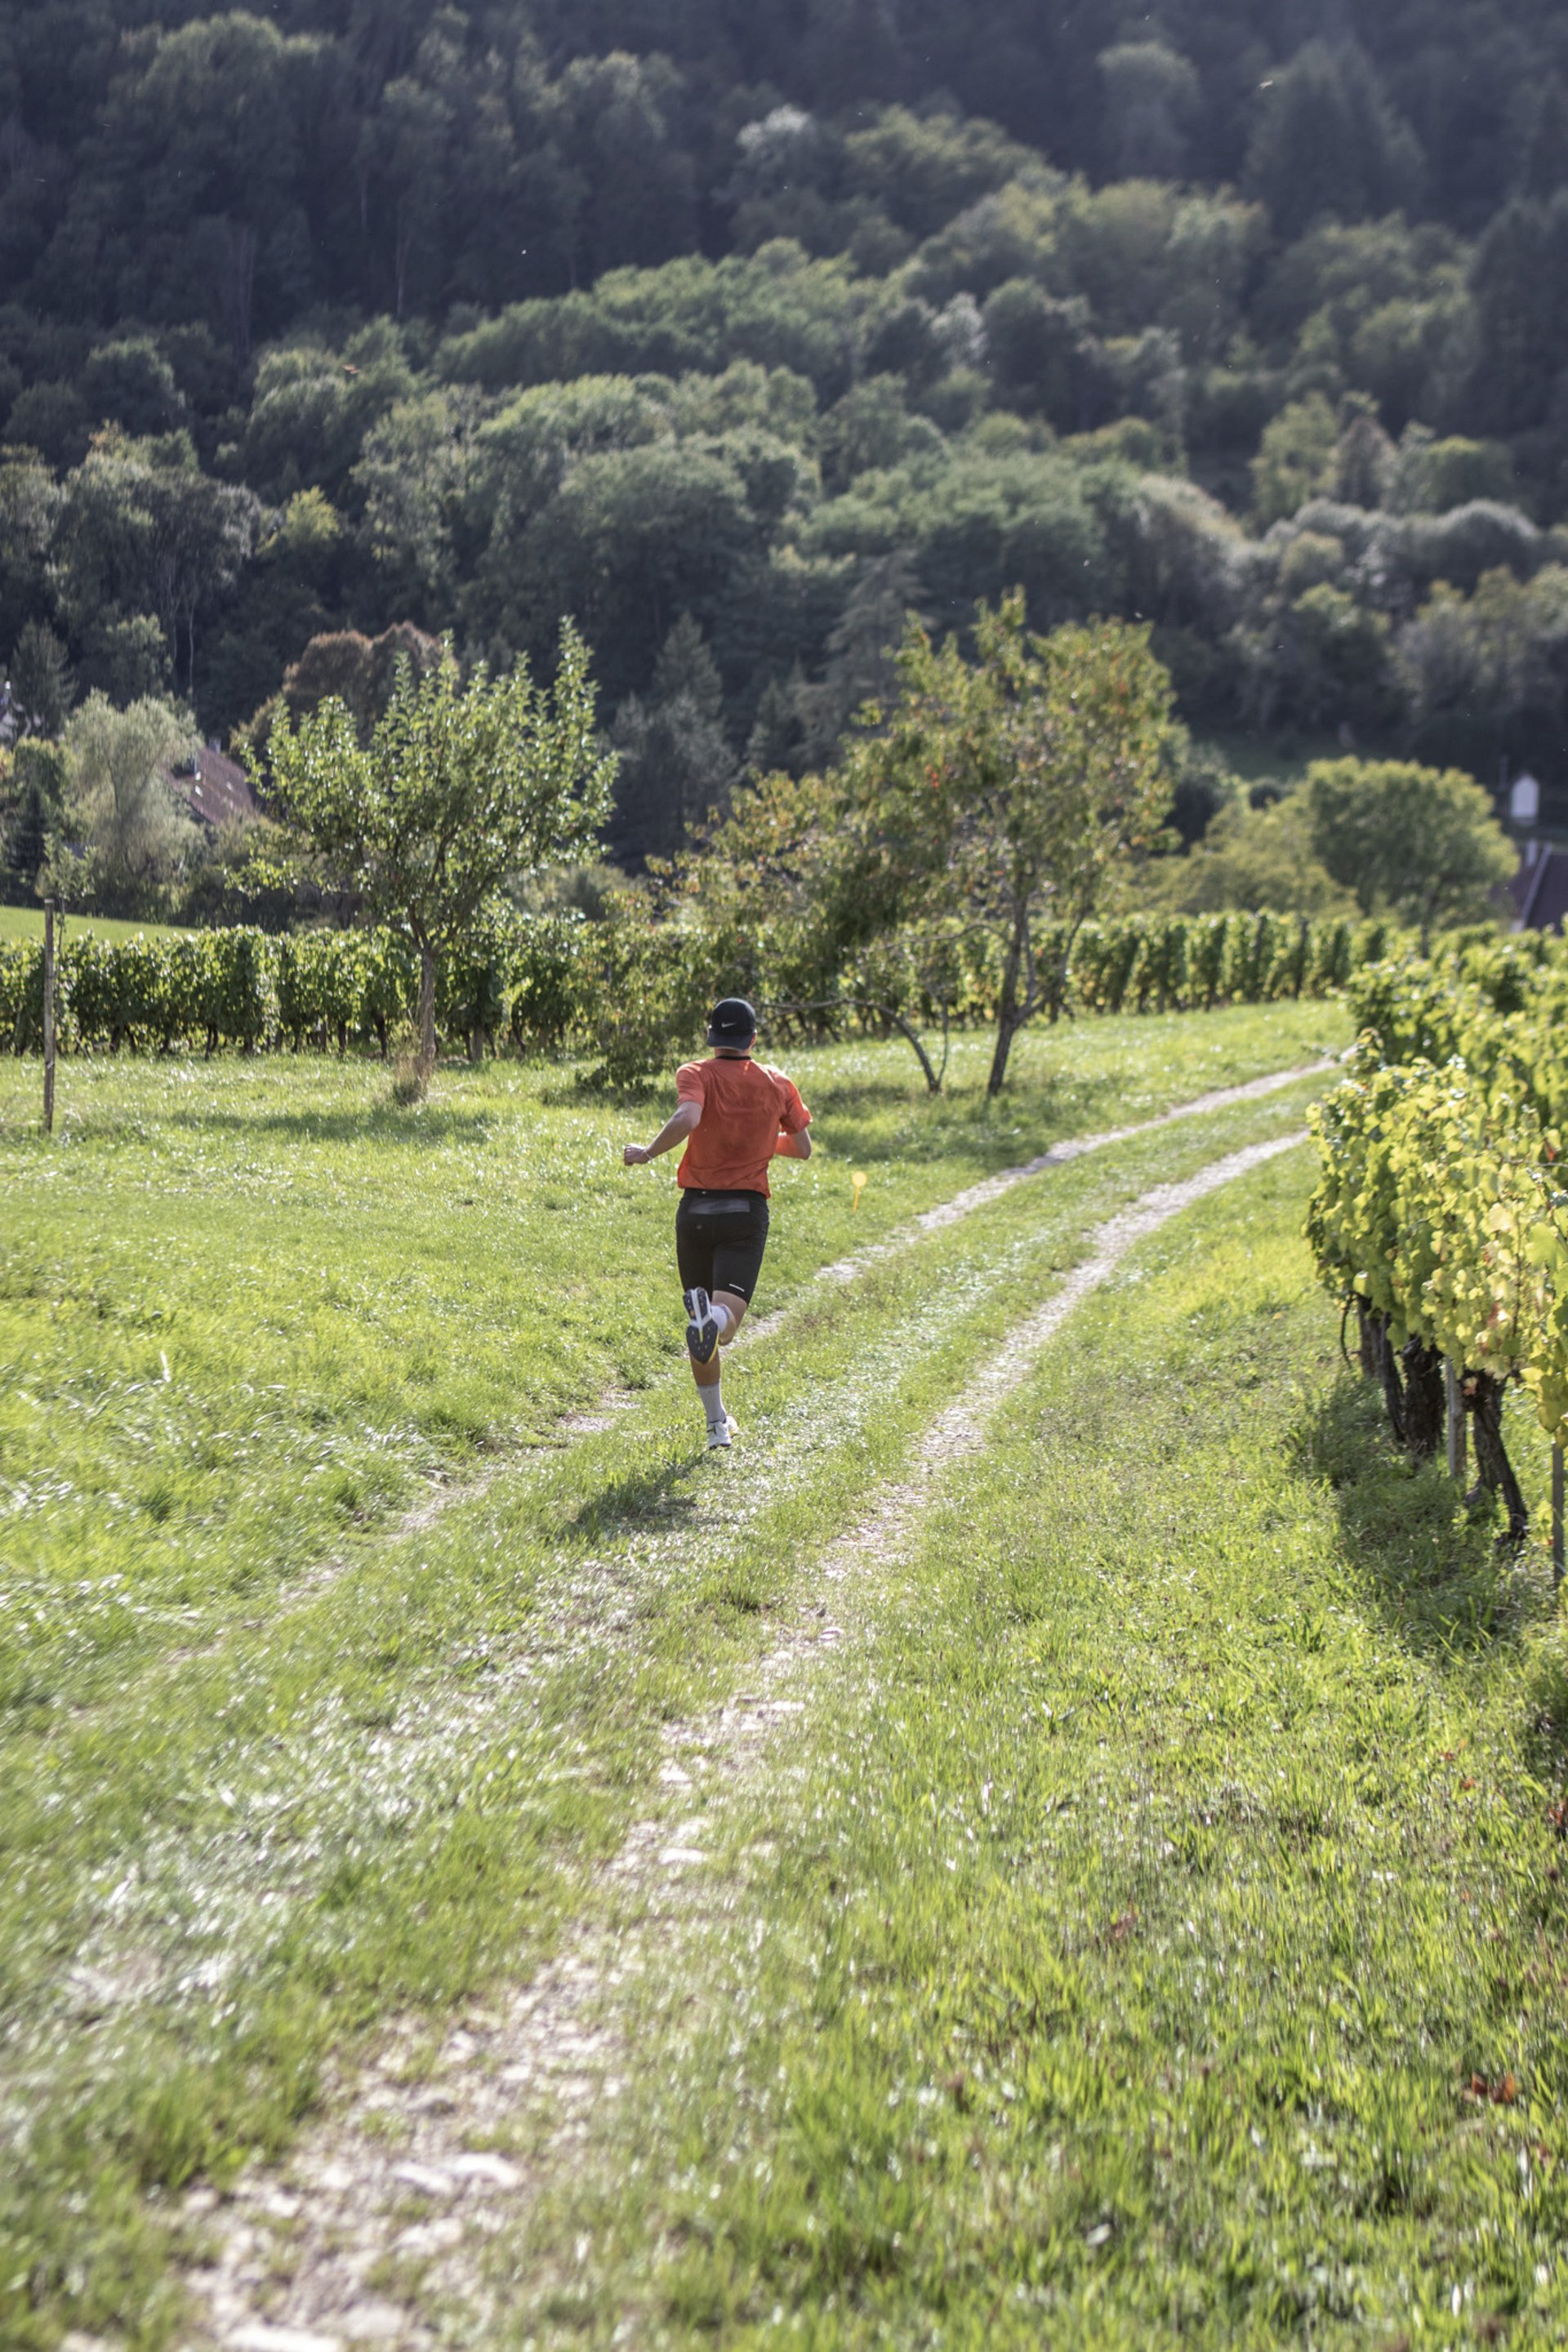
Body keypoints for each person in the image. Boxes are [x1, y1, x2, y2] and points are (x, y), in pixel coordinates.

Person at [621, 996, 812, 1449]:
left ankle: (715, 1426)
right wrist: (765, 1141)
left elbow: (690, 1116)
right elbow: (802, 1147)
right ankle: (718, 1322)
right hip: (744, 1213)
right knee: (722, 1324)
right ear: (752, 1039)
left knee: (699, 1320)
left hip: (695, 1214)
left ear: (711, 1038)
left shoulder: (695, 1072)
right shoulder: (776, 1082)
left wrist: (647, 1152)